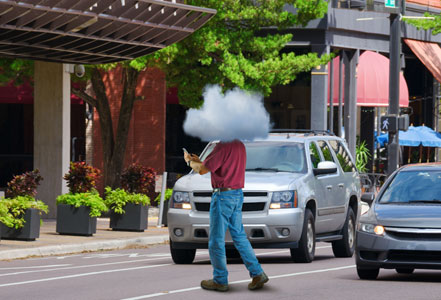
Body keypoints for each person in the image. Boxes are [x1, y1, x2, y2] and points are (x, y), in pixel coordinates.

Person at [184, 139, 268, 292]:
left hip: (223, 196)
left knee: (216, 240)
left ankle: (220, 280)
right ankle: (257, 273)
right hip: (237, 194)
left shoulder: (222, 146)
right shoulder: (239, 145)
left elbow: (203, 170)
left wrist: (190, 162)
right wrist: (200, 161)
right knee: (239, 236)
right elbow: (221, 165)